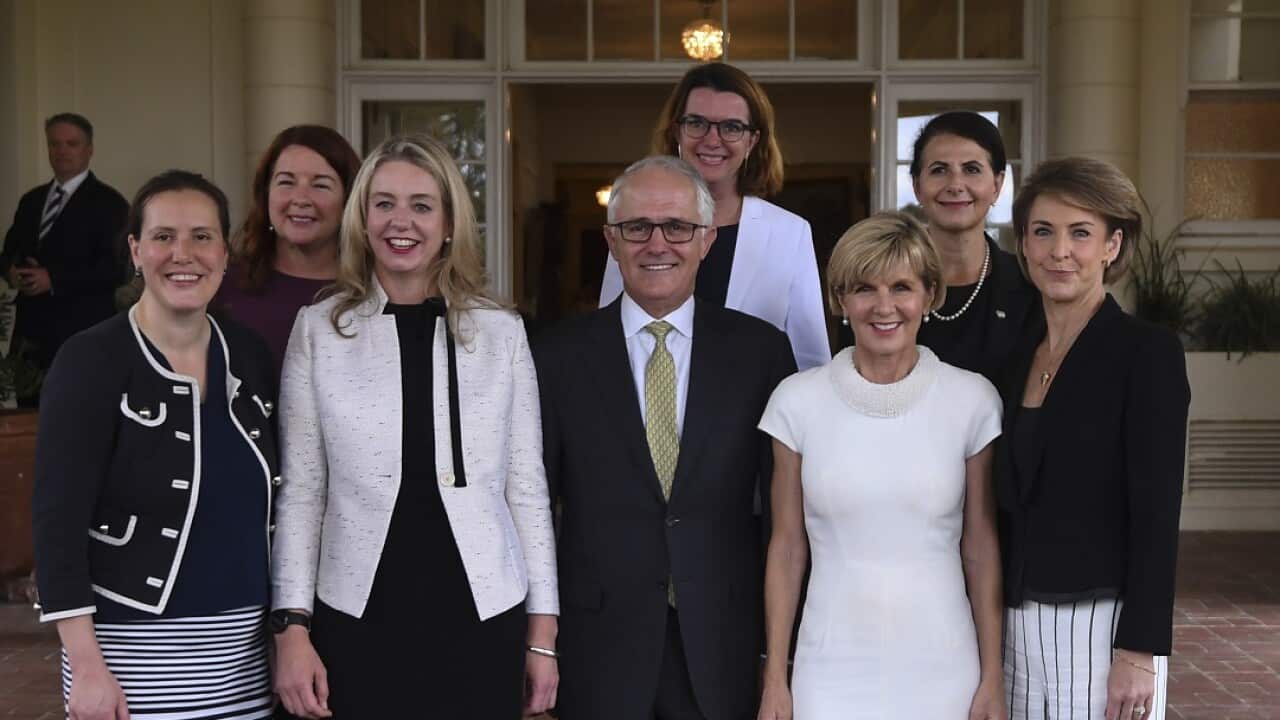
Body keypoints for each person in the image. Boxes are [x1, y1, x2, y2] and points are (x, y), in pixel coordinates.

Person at [270, 134, 559, 719]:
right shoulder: (319, 331)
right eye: (384, 203)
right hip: (357, 611)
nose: (401, 221)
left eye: (422, 205)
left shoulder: (501, 333)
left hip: (482, 611)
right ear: (363, 217)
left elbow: (526, 489)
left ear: (449, 222)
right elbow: (302, 492)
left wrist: (542, 637)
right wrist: (292, 627)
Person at [536, 155, 796, 720]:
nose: (658, 244)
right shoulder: (556, 356)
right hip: (597, 645)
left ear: (705, 241)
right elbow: (533, 509)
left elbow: (784, 519)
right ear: (612, 240)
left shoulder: (761, 354)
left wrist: (778, 657)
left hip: (723, 641)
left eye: (678, 227)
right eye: (637, 228)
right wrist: (539, 639)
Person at [31, 170, 279, 720]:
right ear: (136, 250)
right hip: (128, 659)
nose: (183, 254)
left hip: (245, 662)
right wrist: (87, 666)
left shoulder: (251, 355)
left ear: (225, 251)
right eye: (164, 237)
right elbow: (57, 525)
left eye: (201, 236)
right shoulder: (89, 360)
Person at [757, 211, 1006, 720]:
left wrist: (993, 677)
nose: (884, 306)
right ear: (840, 300)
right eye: (864, 289)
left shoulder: (973, 399)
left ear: (930, 295)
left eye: (902, 287)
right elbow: (786, 548)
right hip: (827, 668)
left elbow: (979, 547)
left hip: (946, 665)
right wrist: (775, 681)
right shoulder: (795, 402)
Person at [998, 158, 1188, 720]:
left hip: (1103, 626)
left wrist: (1140, 648)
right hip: (1014, 622)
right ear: (1024, 245)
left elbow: (1158, 510)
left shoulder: (1146, 354)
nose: (1060, 251)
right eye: (1043, 232)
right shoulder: (1011, 361)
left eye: (1080, 233)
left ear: (1112, 245)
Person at [599, 63, 829, 371]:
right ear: (677, 130)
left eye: (731, 127)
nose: (712, 139)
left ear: (752, 141)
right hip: (653, 409)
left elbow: (810, 360)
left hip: (757, 414)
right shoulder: (635, 224)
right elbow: (607, 337)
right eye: (697, 122)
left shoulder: (790, 233)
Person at [841, 111, 1038, 387]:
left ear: (997, 184)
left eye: (971, 169)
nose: (956, 185)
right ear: (917, 186)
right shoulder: (874, 285)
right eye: (939, 170)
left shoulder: (1030, 287)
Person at [216, 125, 361, 375]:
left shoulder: (370, 292)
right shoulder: (223, 285)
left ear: (349, 198)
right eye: (286, 182)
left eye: (321, 185)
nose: (301, 198)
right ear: (266, 194)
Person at [1, 113, 129, 375]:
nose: (61, 151)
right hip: (30, 336)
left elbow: (116, 269)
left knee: (82, 411)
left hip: (83, 331)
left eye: (71, 144)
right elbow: (9, 252)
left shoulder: (110, 203)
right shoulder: (31, 200)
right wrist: (11, 271)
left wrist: (54, 279)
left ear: (89, 150)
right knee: (29, 413)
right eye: (54, 144)